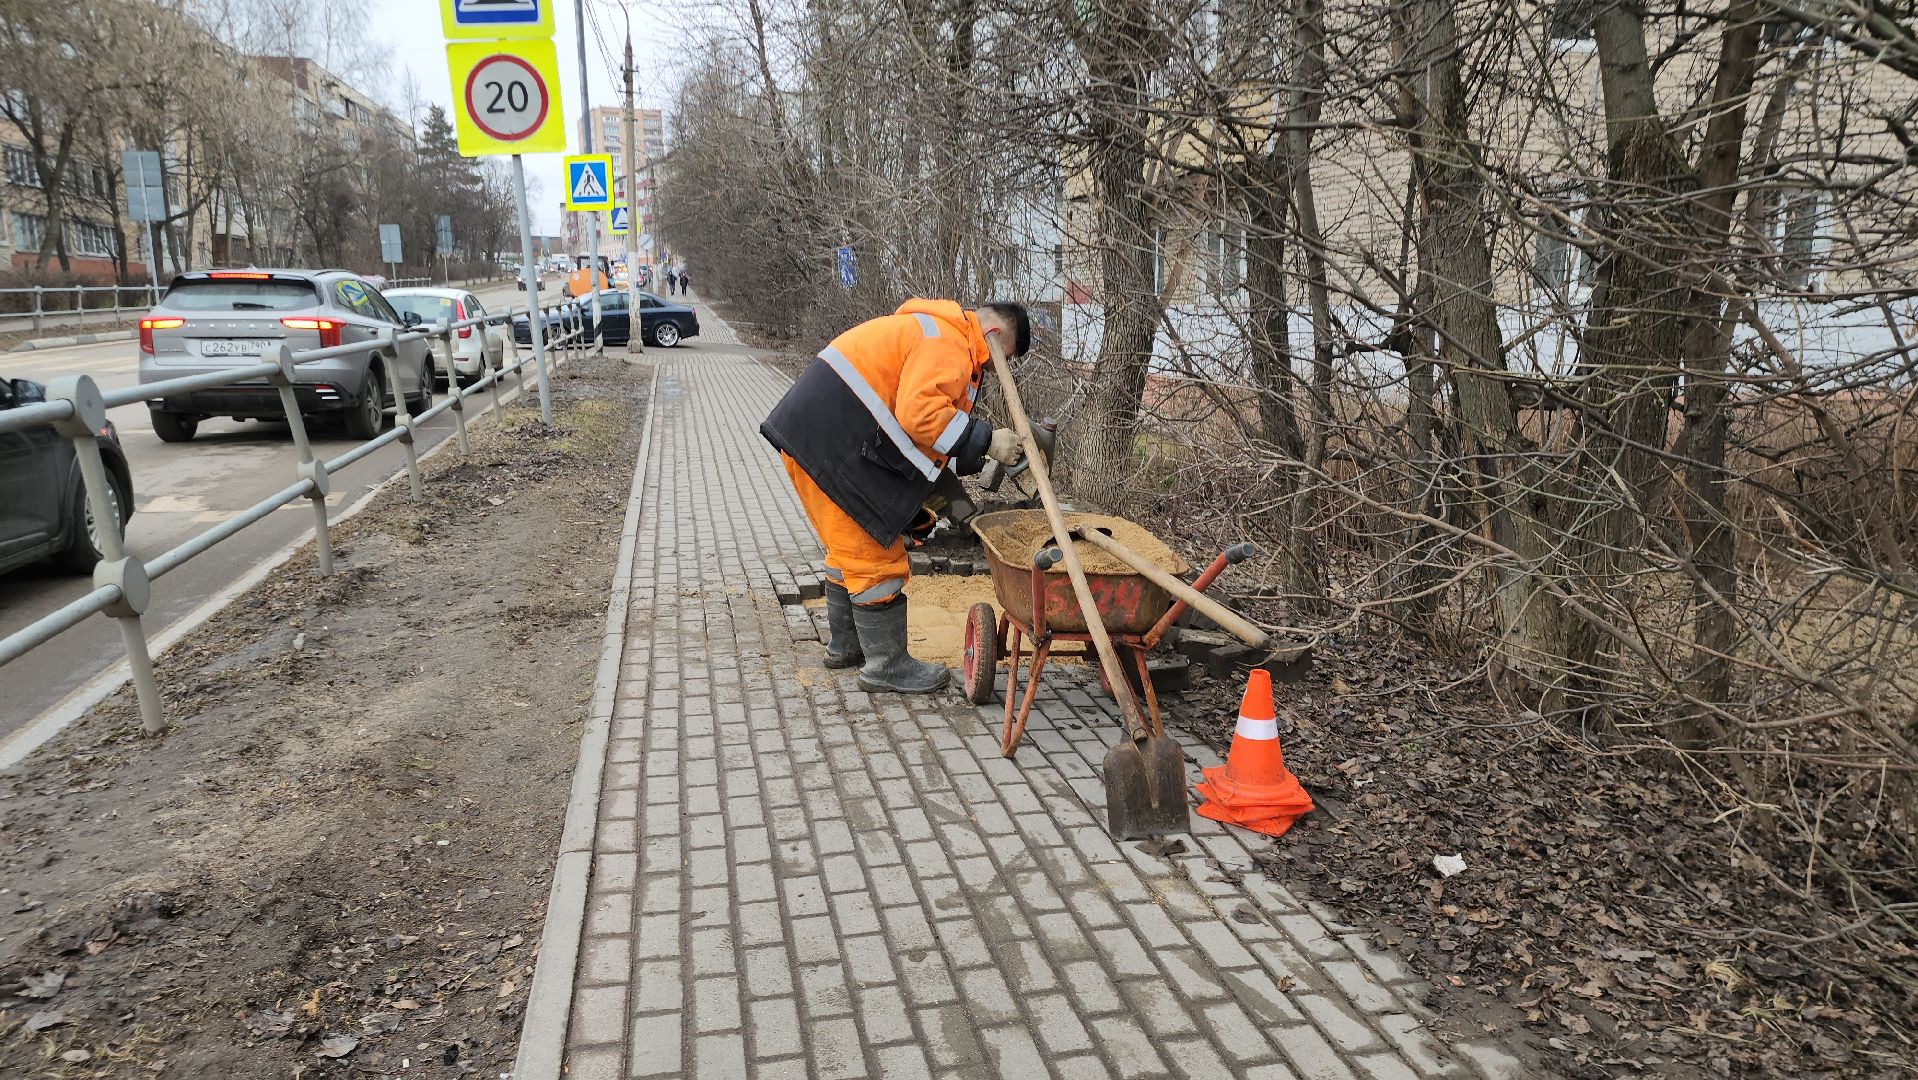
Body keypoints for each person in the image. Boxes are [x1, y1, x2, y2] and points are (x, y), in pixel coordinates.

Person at [761, 299, 1031, 693]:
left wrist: (973, 457)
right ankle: (886, 666)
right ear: (992, 335)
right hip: (832, 443)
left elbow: (923, 436)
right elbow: (920, 415)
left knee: (846, 551)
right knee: (875, 556)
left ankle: (846, 647)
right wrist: (988, 440)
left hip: (821, 437)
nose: (995, 368)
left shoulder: (937, 331)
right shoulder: (950, 344)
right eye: (1001, 358)